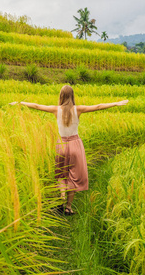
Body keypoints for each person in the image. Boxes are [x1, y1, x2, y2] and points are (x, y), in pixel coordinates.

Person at [10, 85, 128, 215]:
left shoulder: (55, 110)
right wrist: (116, 103)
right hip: (75, 145)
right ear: (72, 96)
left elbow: (37, 106)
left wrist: (19, 103)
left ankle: (61, 198)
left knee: (61, 175)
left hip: (61, 145)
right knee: (73, 176)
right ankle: (68, 207)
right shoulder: (78, 110)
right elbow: (98, 106)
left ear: (61, 95)